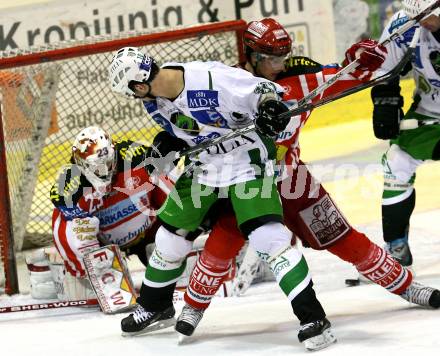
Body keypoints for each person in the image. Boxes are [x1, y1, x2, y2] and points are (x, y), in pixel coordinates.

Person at [174, 17, 440, 339]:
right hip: (244, 183)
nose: (279, 65)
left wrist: (362, 58)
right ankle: (193, 305)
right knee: (222, 241)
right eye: (271, 58)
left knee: (343, 238)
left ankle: (409, 287)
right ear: (251, 54)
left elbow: (350, 73)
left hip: (291, 181)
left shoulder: (298, 79)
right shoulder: (227, 84)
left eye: (283, 57)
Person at [109, 47, 336, 350]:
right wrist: (168, 145)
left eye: (133, 93)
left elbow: (264, 89)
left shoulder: (208, 78)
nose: (136, 97)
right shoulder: (156, 103)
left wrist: (269, 107)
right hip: (204, 167)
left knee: (269, 239)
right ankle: (156, 306)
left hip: (245, 162)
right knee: (169, 239)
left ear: (139, 86)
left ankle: (314, 318)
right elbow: (187, 133)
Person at [371, 0, 440, 268]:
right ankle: (396, 247)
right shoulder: (405, 25)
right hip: (429, 114)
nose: (422, 21)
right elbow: (384, 67)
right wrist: (385, 101)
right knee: (397, 160)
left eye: (427, 15)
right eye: (417, 15)